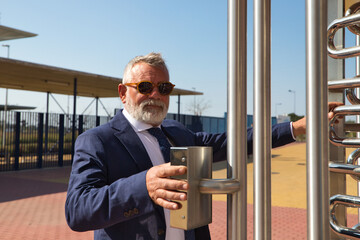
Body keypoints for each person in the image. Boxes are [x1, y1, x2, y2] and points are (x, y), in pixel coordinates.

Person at [65, 52, 341, 240]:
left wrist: (298, 127)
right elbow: (78, 211)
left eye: (164, 88)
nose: (155, 95)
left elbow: (233, 142)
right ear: (123, 92)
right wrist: (143, 186)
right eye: (146, 86)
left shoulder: (176, 133)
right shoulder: (97, 140)